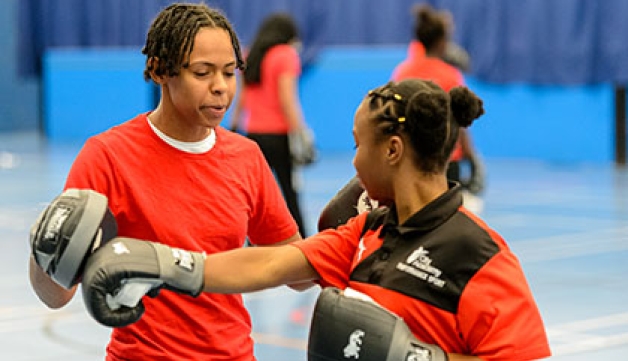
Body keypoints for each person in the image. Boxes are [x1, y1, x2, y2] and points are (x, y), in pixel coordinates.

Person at [80, 79, 552, 361]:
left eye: (356, 146)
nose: (352, 164)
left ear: (391, 151)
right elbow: (268, 264)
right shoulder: (366, 232)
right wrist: (161, 263)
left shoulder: (481, 256)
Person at [28, 3, 303, 360]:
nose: (221, 87)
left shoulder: (246, 157)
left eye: (229, 72)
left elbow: (296, 270)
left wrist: (358, 228)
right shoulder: (108, 156)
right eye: (203, 73)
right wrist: (44, 248)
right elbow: (56, 295)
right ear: (160, 70)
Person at [392, 3, 485, 211]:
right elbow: (460, 122)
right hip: (445, 160)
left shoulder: (402, 73)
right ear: (442, 41)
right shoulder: (450, 75)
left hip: (411, 158)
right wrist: (472, 157)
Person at [229, 13, 311, 237]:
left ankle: (249, 241)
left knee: (254, 195)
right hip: (279, 135)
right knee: (289, 191)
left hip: (253, 134)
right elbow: (287, 99)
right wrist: (301, 132)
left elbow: (241, 97)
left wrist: (234, 126)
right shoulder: (285, 55)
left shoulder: (250, 55)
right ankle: (301, 240)